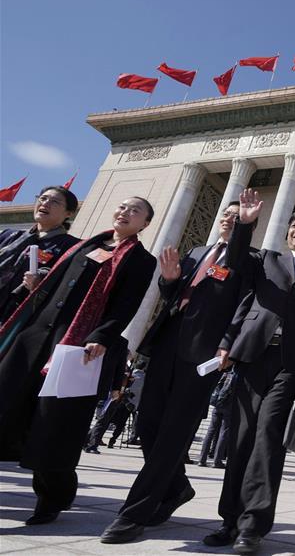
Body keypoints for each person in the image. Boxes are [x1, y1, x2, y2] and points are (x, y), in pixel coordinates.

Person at [100, 191, 261, 544]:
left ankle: (133, 515)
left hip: (203, 356)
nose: (229, 219)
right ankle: (177, 488)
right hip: (167, 345)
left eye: (238, 217)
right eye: (227, 215)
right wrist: (169, 280)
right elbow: (173, 297)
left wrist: (228, 344)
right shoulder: (197, 254)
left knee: (174, 434)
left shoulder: (248, 260)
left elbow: (245, 302)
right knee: (147, 424)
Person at [0, 196, 157, 525]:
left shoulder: (140, 259)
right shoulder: (86, 244)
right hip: (35, 335)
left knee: (54, 423)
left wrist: (102, 336)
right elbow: (55, 283)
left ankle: (52, 495)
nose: (124, 211)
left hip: (75, 346)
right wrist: (33, 285)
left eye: (135, 210)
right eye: (123, 206)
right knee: (5, 401)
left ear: (145, 224)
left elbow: (126, 304)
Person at [205, 209, 295, 554]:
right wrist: (226, 342)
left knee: (268, 439)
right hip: (251, 356)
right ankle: (228, 520)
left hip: (290, 364)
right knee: (240, 437)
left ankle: (253, 526)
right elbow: (244, 296)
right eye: (293, 225)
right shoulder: (267, 260)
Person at [0, 186, 80, 322]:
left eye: (55, 202)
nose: (45, 203)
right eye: (43, 198)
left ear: (69, 213)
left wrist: (40, 282)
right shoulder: (8, 235)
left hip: (18, 319)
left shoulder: (72, 247)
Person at [199, 368, 235, 468]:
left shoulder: (225, 372)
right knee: (224, 432)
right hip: (229, 405)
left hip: (218, 403)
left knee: (211, 431)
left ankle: (202, 459)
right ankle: (217, 460)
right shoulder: (237, 374)